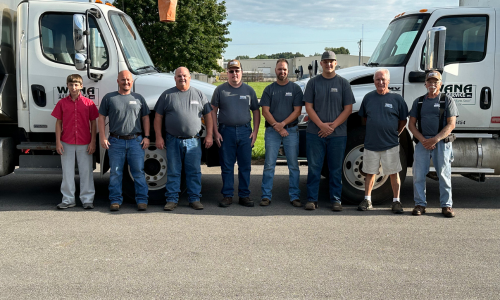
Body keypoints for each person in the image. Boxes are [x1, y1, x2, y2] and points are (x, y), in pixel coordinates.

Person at [154, 67, 213, 211]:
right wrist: (159, 137)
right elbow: (158, 117)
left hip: (193, 140)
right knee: (174, 171)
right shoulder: (167, 95)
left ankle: (194, 199)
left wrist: (210, 135)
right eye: (179, 76)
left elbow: (208, 116)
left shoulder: (199, 95)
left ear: (190, 77)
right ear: (175, 78)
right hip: (172, 140)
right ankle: (172, 200)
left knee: (194, 171)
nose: (182, 78)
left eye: (185, 76)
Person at [304, 51, 355, 211]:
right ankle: (312, 199)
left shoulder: (343, 83)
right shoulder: (313, 83)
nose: (328, 64)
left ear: (336, 62)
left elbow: (348, 109)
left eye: (331, 61)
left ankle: (336, 200)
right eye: (325, 61)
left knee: (335, 169)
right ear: (321, 64)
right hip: (315, 133)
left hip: (338, 134)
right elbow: (308, 107)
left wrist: (331, 127)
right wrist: (321, 125)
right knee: (314, 167)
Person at [357, 69, 409, 213]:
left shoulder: (397, 99)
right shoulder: (368, 98)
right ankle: (367, 200)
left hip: (390, 144)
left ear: (389, 81)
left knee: (393, 173)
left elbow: (403, 120)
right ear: (374, 82)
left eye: (383, 79)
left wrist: (395, 134)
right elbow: (364, 118)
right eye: (378, 79)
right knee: (369, 172)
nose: (380, 82)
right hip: (371, 144)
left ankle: (396, 201)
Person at [98, 70, 151, 211]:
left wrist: (147, 137)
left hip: (136, 141)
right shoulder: (109, 98)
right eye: (123, 80)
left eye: (128, 79)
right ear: (117, 81)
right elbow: (101, 118)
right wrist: (103, 137)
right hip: (116, 141)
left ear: (132, 81)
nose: (126, 82)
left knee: (138, 172)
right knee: (115, 172)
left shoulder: (139, 98)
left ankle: (142, 200)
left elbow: (146, 118)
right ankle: (115, 200)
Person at [408, 70, 458, 218]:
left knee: (443, 174)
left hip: (441, 143)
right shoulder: (419, 102)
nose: (432, 84)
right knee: (418, 175)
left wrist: (435, 139)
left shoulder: (447, 100)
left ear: (440, 84)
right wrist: (423, 140)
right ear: (425, 84)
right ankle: (419, 204)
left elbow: (451, 124)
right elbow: (411, 125)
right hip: (423, 143)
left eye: (435, 82)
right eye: (429, 82)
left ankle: (446, 206)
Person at [211, 59, 260, 207]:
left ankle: (244, 195)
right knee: (227, 166)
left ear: (241, 72)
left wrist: (255, 132)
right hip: (226, 131)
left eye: (237, 71)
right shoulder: (220, 90)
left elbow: (256, 111)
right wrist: (215, 132)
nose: (234, 74)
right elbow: (213, 111)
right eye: (231, 71)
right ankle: (227, 195)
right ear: (227, 73)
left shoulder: (249, 90)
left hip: (245, 131)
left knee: (245, 165)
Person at [260, 58, 304, 207]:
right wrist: (276, 126)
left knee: (293, 165)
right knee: (269, 165)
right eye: (279, 69)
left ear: (288, 71)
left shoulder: (295, 89)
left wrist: (283, 125)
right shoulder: (269, 89)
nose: (282, 72)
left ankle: (294, 196)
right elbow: (264, 111)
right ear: (275, 70)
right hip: (272, 131)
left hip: (290, 130)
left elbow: (298, 110)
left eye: (284, 69)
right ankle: (266, 196)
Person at [52, 74, 99, 209]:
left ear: (81, 86)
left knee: (86, 172)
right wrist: (58, 142)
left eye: (76, 84)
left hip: (85, 142)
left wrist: (93, 142)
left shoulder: (88, 103)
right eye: (71, 84)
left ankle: (87, 199)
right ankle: (68, 200)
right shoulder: (62, 103)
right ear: (67, 86)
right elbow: (58, 123)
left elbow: (93, 123)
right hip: (66, 142)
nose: (73, 87)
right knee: (67, 172)